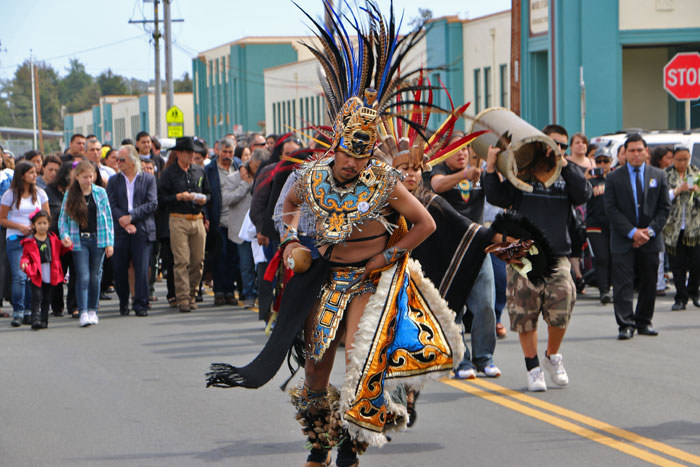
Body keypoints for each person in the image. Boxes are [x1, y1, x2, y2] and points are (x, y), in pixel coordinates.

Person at [483, 124, 591, 392]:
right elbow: (497, 196)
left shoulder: (567, 175)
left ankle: (552, 355)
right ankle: (533, 368)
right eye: (554, 144)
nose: (559, 149)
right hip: (523, 253)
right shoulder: (523, 172)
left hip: (557, 254)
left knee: (563, 301)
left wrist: (565, 164)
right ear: (542, 143)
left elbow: (584, 194)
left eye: (563, 146)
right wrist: (490, 168)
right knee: (524, 310)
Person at [604, 134, 670, 340]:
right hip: (623, 238)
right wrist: (632, 232)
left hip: (650, 238)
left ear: (646, 151)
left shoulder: (659, 175)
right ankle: (625, 324)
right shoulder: (614, 177)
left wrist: (648, 232)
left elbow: (664, 208)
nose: (636, 154)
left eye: (639, 150)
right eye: (631, 150)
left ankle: (644, 321)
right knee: (623, 283)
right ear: (624, 154)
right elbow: (611, 209)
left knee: (649, 281)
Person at [58, 161, 115, 327]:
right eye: (84, 177)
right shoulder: (70, 194)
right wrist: (65, 235)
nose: (88, 180)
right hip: (79, 239)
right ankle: (83, 311)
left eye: (91, 176)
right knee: (83, 276)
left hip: (99, 239)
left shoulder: (100, 193)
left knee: (96, 276)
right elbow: (63, 219)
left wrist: (110, 243)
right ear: (77, 177)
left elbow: (108, 219)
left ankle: (93, 310)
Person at [158, 137, 210, 313]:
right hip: (178, 218)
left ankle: (192, 295)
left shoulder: (199, 172)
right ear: (178, 153)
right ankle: (182, 298)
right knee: (181, 260)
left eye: (193, 152)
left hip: (197, 218)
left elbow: (208, 194)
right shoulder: (169, 174)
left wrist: (204, 201)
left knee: (198, 261)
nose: (191, 155)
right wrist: (177, 197)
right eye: (187, 152)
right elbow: (161, 198)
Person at [107, 145, 158, 317]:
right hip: (121, 230)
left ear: (133, 160)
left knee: (142, 268)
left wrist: (132, 217)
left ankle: (141, 303)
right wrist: (124, 221)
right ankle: (123, 302)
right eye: (116, 159)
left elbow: (152, 203)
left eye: (122, 160)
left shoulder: (148, 179)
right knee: (120, 268)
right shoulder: (114, 181)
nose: (118, 163)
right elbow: (111, 204)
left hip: (142, 229)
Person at [0, 161, 50, 327]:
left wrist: (36, 228)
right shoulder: (10, 194)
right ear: (22, 175)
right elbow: (2, 219)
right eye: (31, 173)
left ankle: (30, 310)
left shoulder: (40, 194)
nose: (35, 175)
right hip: (15, 238)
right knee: (20, 276)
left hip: (34, 239)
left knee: (32, 275)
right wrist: (20, 227)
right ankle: (18, 311)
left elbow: (46, 217)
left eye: (36, 172)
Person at [223, 148, 270, 307]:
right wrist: (245, 185)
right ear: (251, 163)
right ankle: (249, 295)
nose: (259, 170)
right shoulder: (235, 178)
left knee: (262, 264)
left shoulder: (267, 176)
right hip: (242, 229)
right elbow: (226, 199)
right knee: (245, 265)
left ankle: (263, 295)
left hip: (260, 228)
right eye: (257, 166)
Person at [662, 146, 700, 311]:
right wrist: (677, 191)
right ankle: (681, 297)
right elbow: (661, 197)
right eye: (679, 160)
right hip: (673, 227)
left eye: (685, 159)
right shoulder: (665, 174)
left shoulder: (695, 173)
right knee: (677, 265)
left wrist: (696, 191)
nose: (683, 163)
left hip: (694, 226)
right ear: (673, 159)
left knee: (696, 262)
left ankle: (694, 292)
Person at [20, 210, 70, 329]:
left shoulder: (53, 239)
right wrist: (24, 263)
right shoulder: (29, 242)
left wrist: (67, 245)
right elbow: (25, 256)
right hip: (36, 272)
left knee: (47, 297)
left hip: (50, 271)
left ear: (49, 224)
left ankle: (44, 320)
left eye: (44, 223)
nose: (42, 226)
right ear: (33, 225)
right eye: (39, 223)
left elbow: (61, 250)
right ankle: (35, 319)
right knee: (37, 295)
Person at [205, 138, 239, 306]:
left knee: (233, 258)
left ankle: (229, 291)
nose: (227, 156)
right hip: (218, 220)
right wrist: (206, 217)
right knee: (220, 256)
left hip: (235, 221)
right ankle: (219, 291)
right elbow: (205, 194)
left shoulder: (238, 167)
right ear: (217, 150)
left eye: (230, 152)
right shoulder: (209, 169)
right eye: (224, 152)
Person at [46, 162, 77, 317]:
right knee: (58, 272)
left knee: (76, 273)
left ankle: (74, 306)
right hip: (55, 238)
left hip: (75, 237)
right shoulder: (49, 191)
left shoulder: (79, 191)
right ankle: (57, 306)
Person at [586, 148, 614, 304]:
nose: (602, 164)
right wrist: (585, 178)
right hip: (595, 225)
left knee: (613, 257)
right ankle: (604, 290)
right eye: (599, 161)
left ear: (611, 162)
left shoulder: (616, 179)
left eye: (605, 161)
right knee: (602, 257)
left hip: (614, 225)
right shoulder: (590, 181)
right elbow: (580, 195)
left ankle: (611, 287)